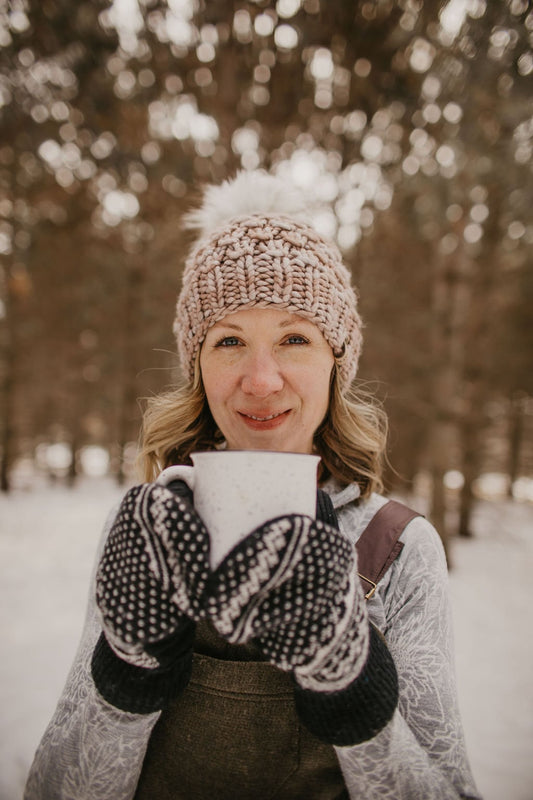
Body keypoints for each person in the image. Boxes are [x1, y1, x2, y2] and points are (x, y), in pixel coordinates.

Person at [24, 170, 481, 799]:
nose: (261, 380)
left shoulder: (398, 549)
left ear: (336, 362)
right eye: (230, 340)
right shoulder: (147, 532)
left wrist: (354, 691)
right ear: (198, 367)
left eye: (294, 338)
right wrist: (127, 675)